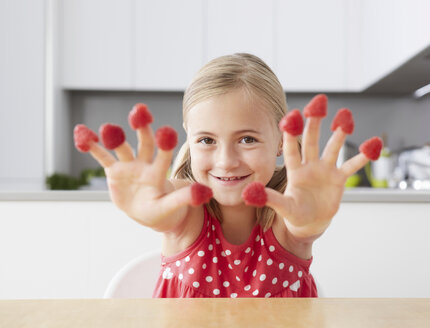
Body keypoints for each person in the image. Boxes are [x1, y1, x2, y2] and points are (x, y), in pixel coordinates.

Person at [78, 53, 375, 298]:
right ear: (189, 138)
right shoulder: (187, 213)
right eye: (207, 140)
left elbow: (303, 225)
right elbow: (166, 207)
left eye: (247, 139)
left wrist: (314, 220)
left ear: (281, 140)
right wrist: (146, 205)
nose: (226, 161)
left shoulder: (288, 222)